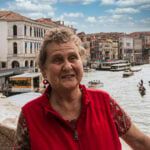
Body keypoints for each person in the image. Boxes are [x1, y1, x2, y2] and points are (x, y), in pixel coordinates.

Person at [14, 27, 150, 150]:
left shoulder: (105, 103)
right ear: (44, 70)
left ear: (81, 61)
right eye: (57, 60)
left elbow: (140, 142)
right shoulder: (29, 116)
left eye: (73, 57)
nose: (67, 66)